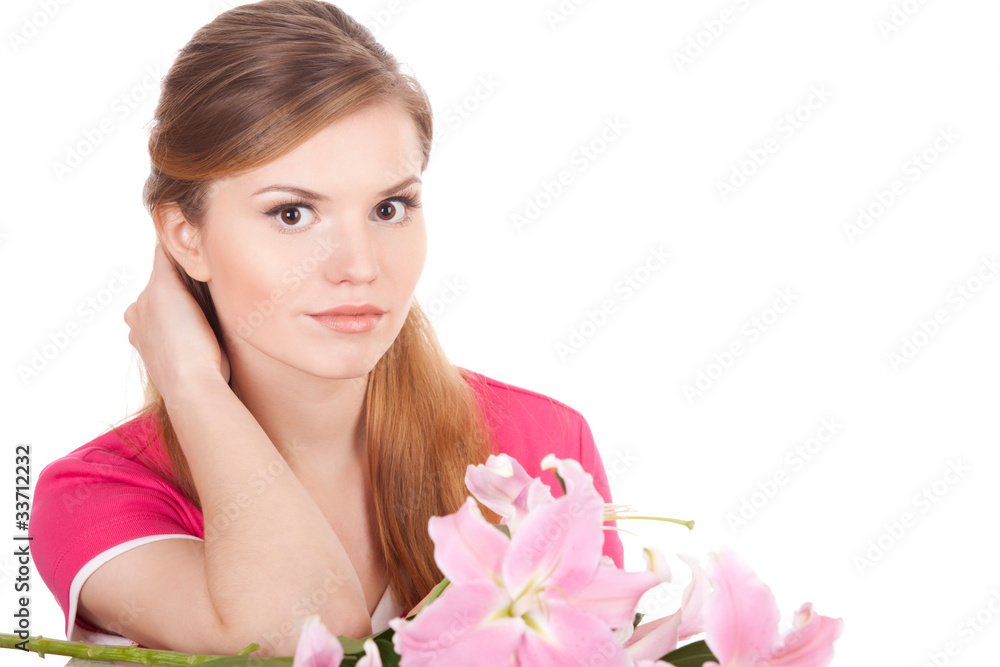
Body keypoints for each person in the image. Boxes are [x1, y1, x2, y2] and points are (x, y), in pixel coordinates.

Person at [28, 0, 624, 658]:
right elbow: (310, 639)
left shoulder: (541, 446)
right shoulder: (94, 494)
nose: (360, 266)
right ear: (184, 236)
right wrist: (192, 385)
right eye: (291, 214)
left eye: (390, 207)